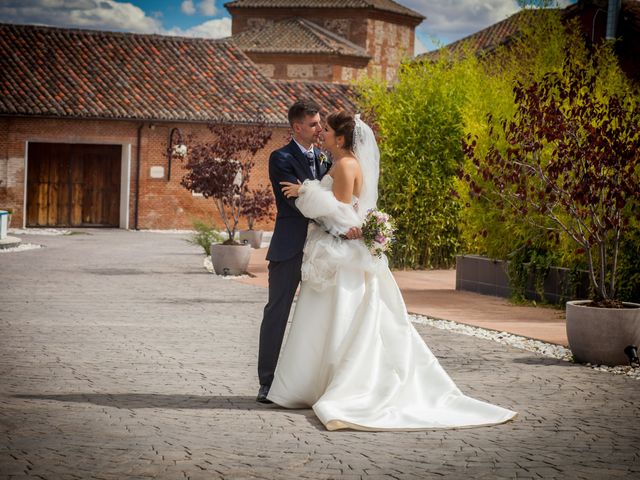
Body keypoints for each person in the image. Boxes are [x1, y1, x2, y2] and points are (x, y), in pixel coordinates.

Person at [268, 110, 518, 431]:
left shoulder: (345, 165)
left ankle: (341, 384)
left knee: (340, 318)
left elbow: (340, 213)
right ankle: (321, 381)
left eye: (327, 130)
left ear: (341, 139)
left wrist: (305, 192)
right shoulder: (342, 163)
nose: (323, 134)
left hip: (342, 256)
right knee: (333, 319)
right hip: (342, 251)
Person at [257, 100, 359, 403]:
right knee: (277, 312)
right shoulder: (281, 158)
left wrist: (345, 224)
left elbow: (339, 198)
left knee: (319, 318)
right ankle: (267, 381)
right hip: (290, 247)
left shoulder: (327, 159)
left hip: (324, 251)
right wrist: (337, 222)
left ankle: (311, 383)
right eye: (314, 124)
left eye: (321, 125)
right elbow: (296, 204)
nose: (319, 129)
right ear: (297, 127)